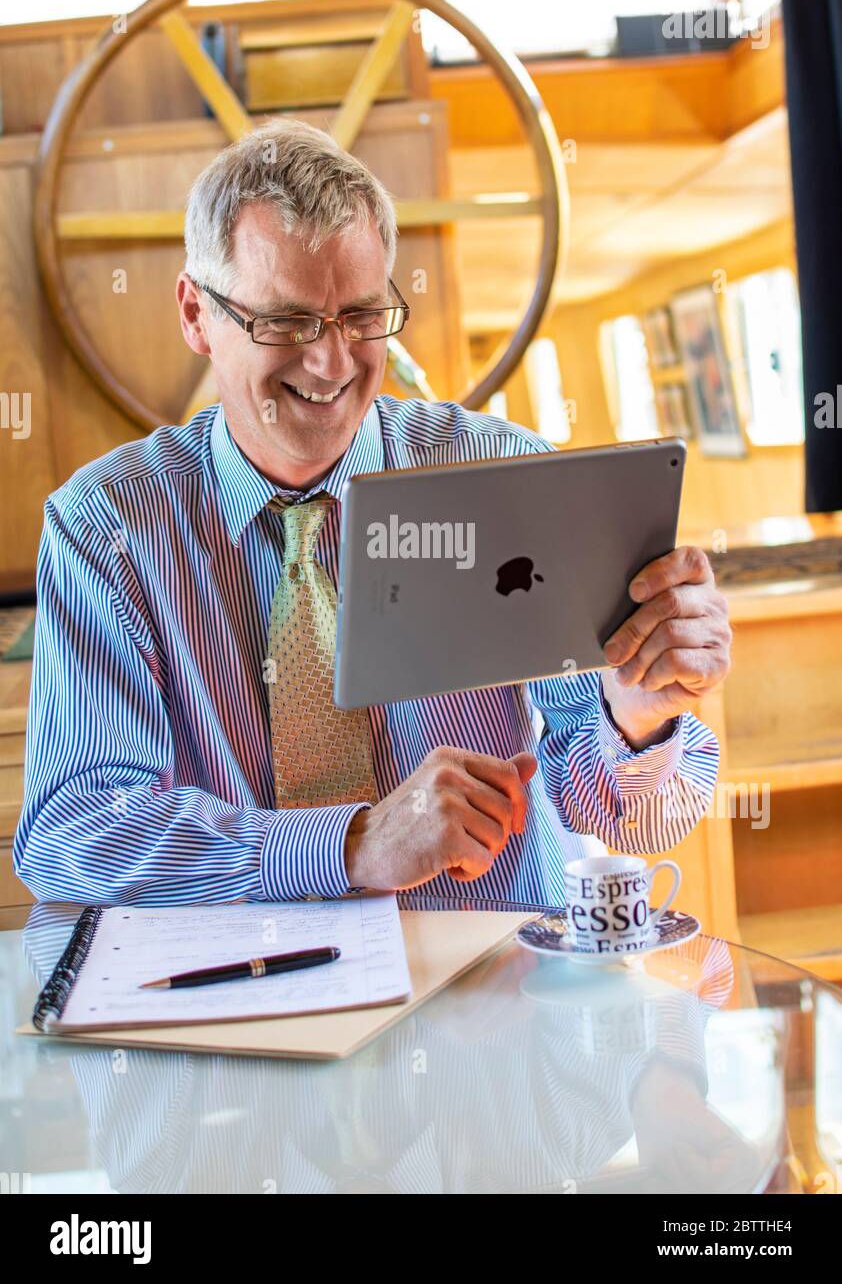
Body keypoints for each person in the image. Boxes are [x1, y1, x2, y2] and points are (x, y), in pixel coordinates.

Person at [14, 119, 731, 907]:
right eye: (285, 322)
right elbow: (72, 833)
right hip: (253, 1006)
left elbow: (632, 820)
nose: (329, 363)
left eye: (361, 318)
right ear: (196, 314)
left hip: (497, 994)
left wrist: (638, 717)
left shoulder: (505, 475)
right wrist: (351, 846)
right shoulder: (105, 526)